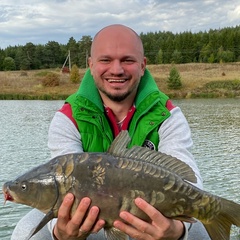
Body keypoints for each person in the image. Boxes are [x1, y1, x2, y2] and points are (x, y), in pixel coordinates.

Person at [11, 24, 210, 240]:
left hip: (151, 217)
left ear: (143, 65)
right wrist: (60, 233)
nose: (116, 70)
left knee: (198, 229)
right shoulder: (68, 118)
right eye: (105, 60)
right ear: (91, 65)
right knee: (27, 231)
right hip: (91, 221)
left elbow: (191, 182)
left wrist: (177, 231)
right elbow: (62, 195)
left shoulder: (167, 114)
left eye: (127, 60)